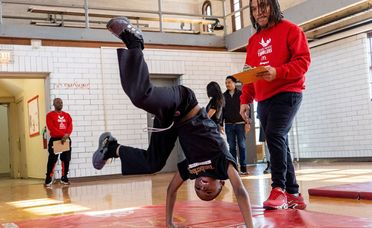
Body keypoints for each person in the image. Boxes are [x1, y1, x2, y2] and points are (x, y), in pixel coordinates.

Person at [92, 17, 253, 228]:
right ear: (221, 184)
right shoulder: (223, 165)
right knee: (141, 95)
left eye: (198, 190)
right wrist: (250, 226)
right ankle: (135, 43)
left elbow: (171, 190)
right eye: (209, 190)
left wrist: (169, 222)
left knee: (153, 163)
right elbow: (240, 191)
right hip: (184, 103)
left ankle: (112, 148)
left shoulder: (191, 170)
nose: (202, 187)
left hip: (172, 123)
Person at [239, 0, 311, 210]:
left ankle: (278, 188)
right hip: (264, 98)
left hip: (288, 93)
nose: (258, 12)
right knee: (279, 141)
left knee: (275, 135)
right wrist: (245, 100)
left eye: (263, 7)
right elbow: (249, 73)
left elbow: (303, 62)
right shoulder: (253, 41)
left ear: (273, 6)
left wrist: (278, 72)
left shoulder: (291, 30)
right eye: (253, 9)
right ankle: (294, 193)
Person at [221, 76, 250, 175]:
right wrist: (221, 124)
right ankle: (234, 169)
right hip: (228, 125)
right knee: (232, 147)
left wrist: (247, 123)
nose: (227, 84)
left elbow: (246, 110)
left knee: (242, 146)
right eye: (226, 83)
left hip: (240, 124)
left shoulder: (241, 94)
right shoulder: (223, 96)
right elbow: (221, 111)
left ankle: (244, 168)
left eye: (229, 82)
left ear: (234, 83)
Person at [45, 98, 73, 187]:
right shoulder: (50, 115)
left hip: (66, 139)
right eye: (57, 102)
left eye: (61, 102)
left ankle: (64, 177)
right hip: (55, 139)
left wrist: (67, 134)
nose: (60, 103)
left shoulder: (67, 115)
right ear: (54, 104)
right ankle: (48, 178)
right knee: (52, 159)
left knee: (66, 159)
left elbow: (70, 125)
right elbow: (51, 127)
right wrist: (63, 135)